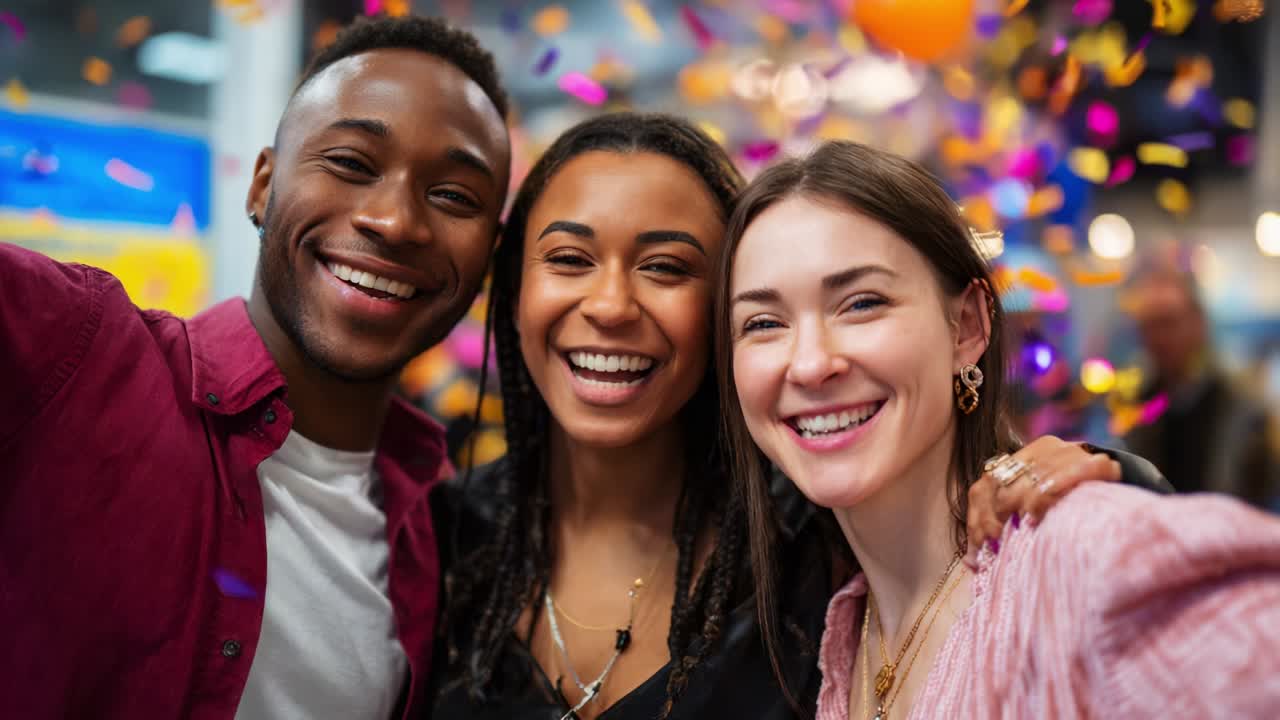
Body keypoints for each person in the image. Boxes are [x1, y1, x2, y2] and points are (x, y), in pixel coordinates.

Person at [429, 113, 1168, 720]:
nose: (611, 305)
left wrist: (1119, 481)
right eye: (566, 258)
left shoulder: (809, 543)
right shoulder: (442, 540)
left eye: (666, 267)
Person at [0, 16, 509, 719]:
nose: (395, 221)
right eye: (352, 163)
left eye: (454, 196)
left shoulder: (440, 531)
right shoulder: (76, 354)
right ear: (263, 185)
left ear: (490, 255)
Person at [716, 140, 1280, 719]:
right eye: (763, 322)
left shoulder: (1075, 554)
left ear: (966, 327)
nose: (810, 363)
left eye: (861, 304)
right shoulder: (834, 627)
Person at [1123, 267, 1278, 509]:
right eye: (1148, 326)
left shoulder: (1241, 404)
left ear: (1199, 324)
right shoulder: (1138, 405)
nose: (1159, 338)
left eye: (1168, 323)